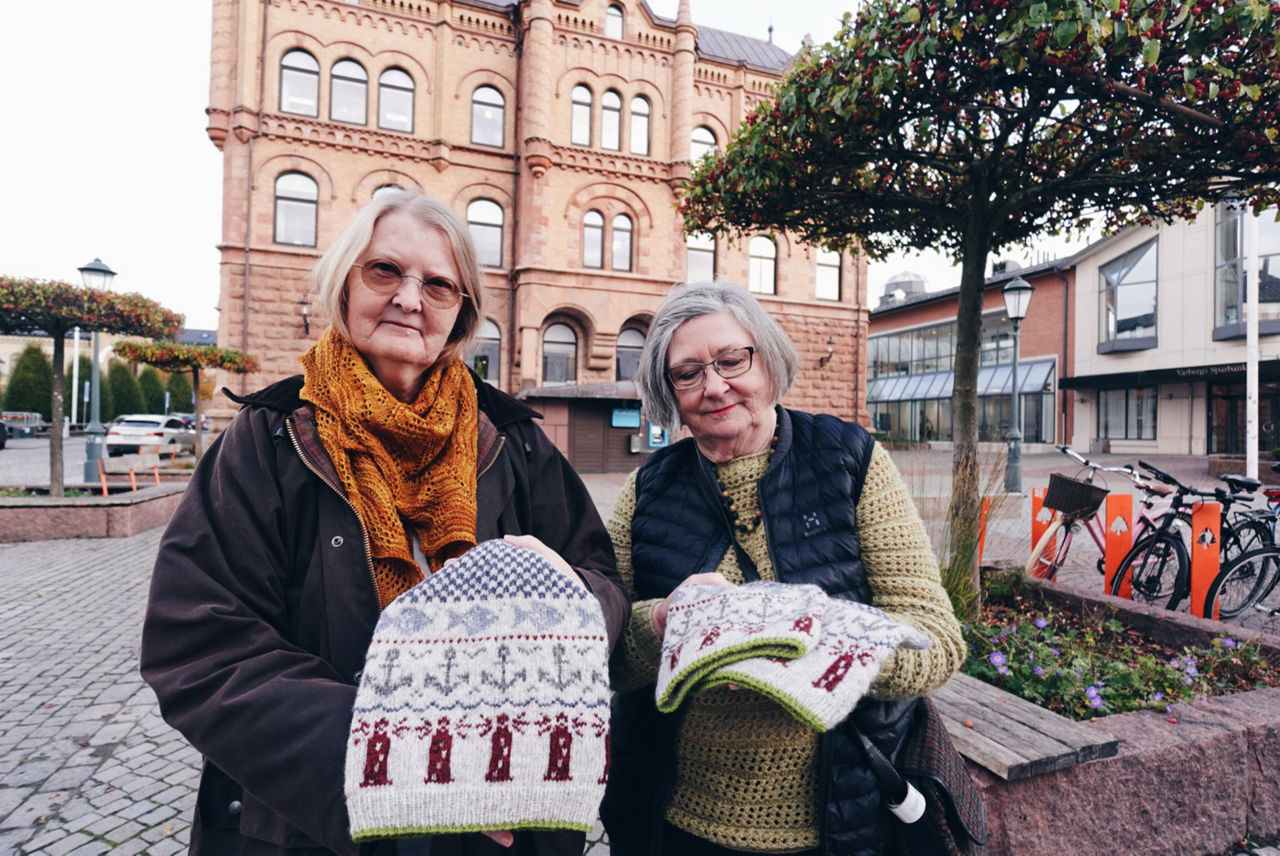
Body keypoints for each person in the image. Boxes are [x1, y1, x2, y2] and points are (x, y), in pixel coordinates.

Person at [140, 190, 627, 856]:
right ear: (344, 285)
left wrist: (568, 598)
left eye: (438, 284)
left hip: (499, 811)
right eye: (384, 271)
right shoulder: (269, 439)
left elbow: (601, 580)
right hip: (320, 821)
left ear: (460, 313)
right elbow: (200, 645)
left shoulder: (513, 440)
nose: (409, 298)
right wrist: (398, 750)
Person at [601, 281, 965, 856]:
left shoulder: (849, 461)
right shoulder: (646, 490)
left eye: (731, 360)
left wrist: (800, 643)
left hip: (844, 821)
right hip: (671, 823)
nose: (713, 386)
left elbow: (935, 640)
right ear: (668, 391)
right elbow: (611, 658)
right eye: (687, 373)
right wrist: (665, 623)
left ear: (768, 360)